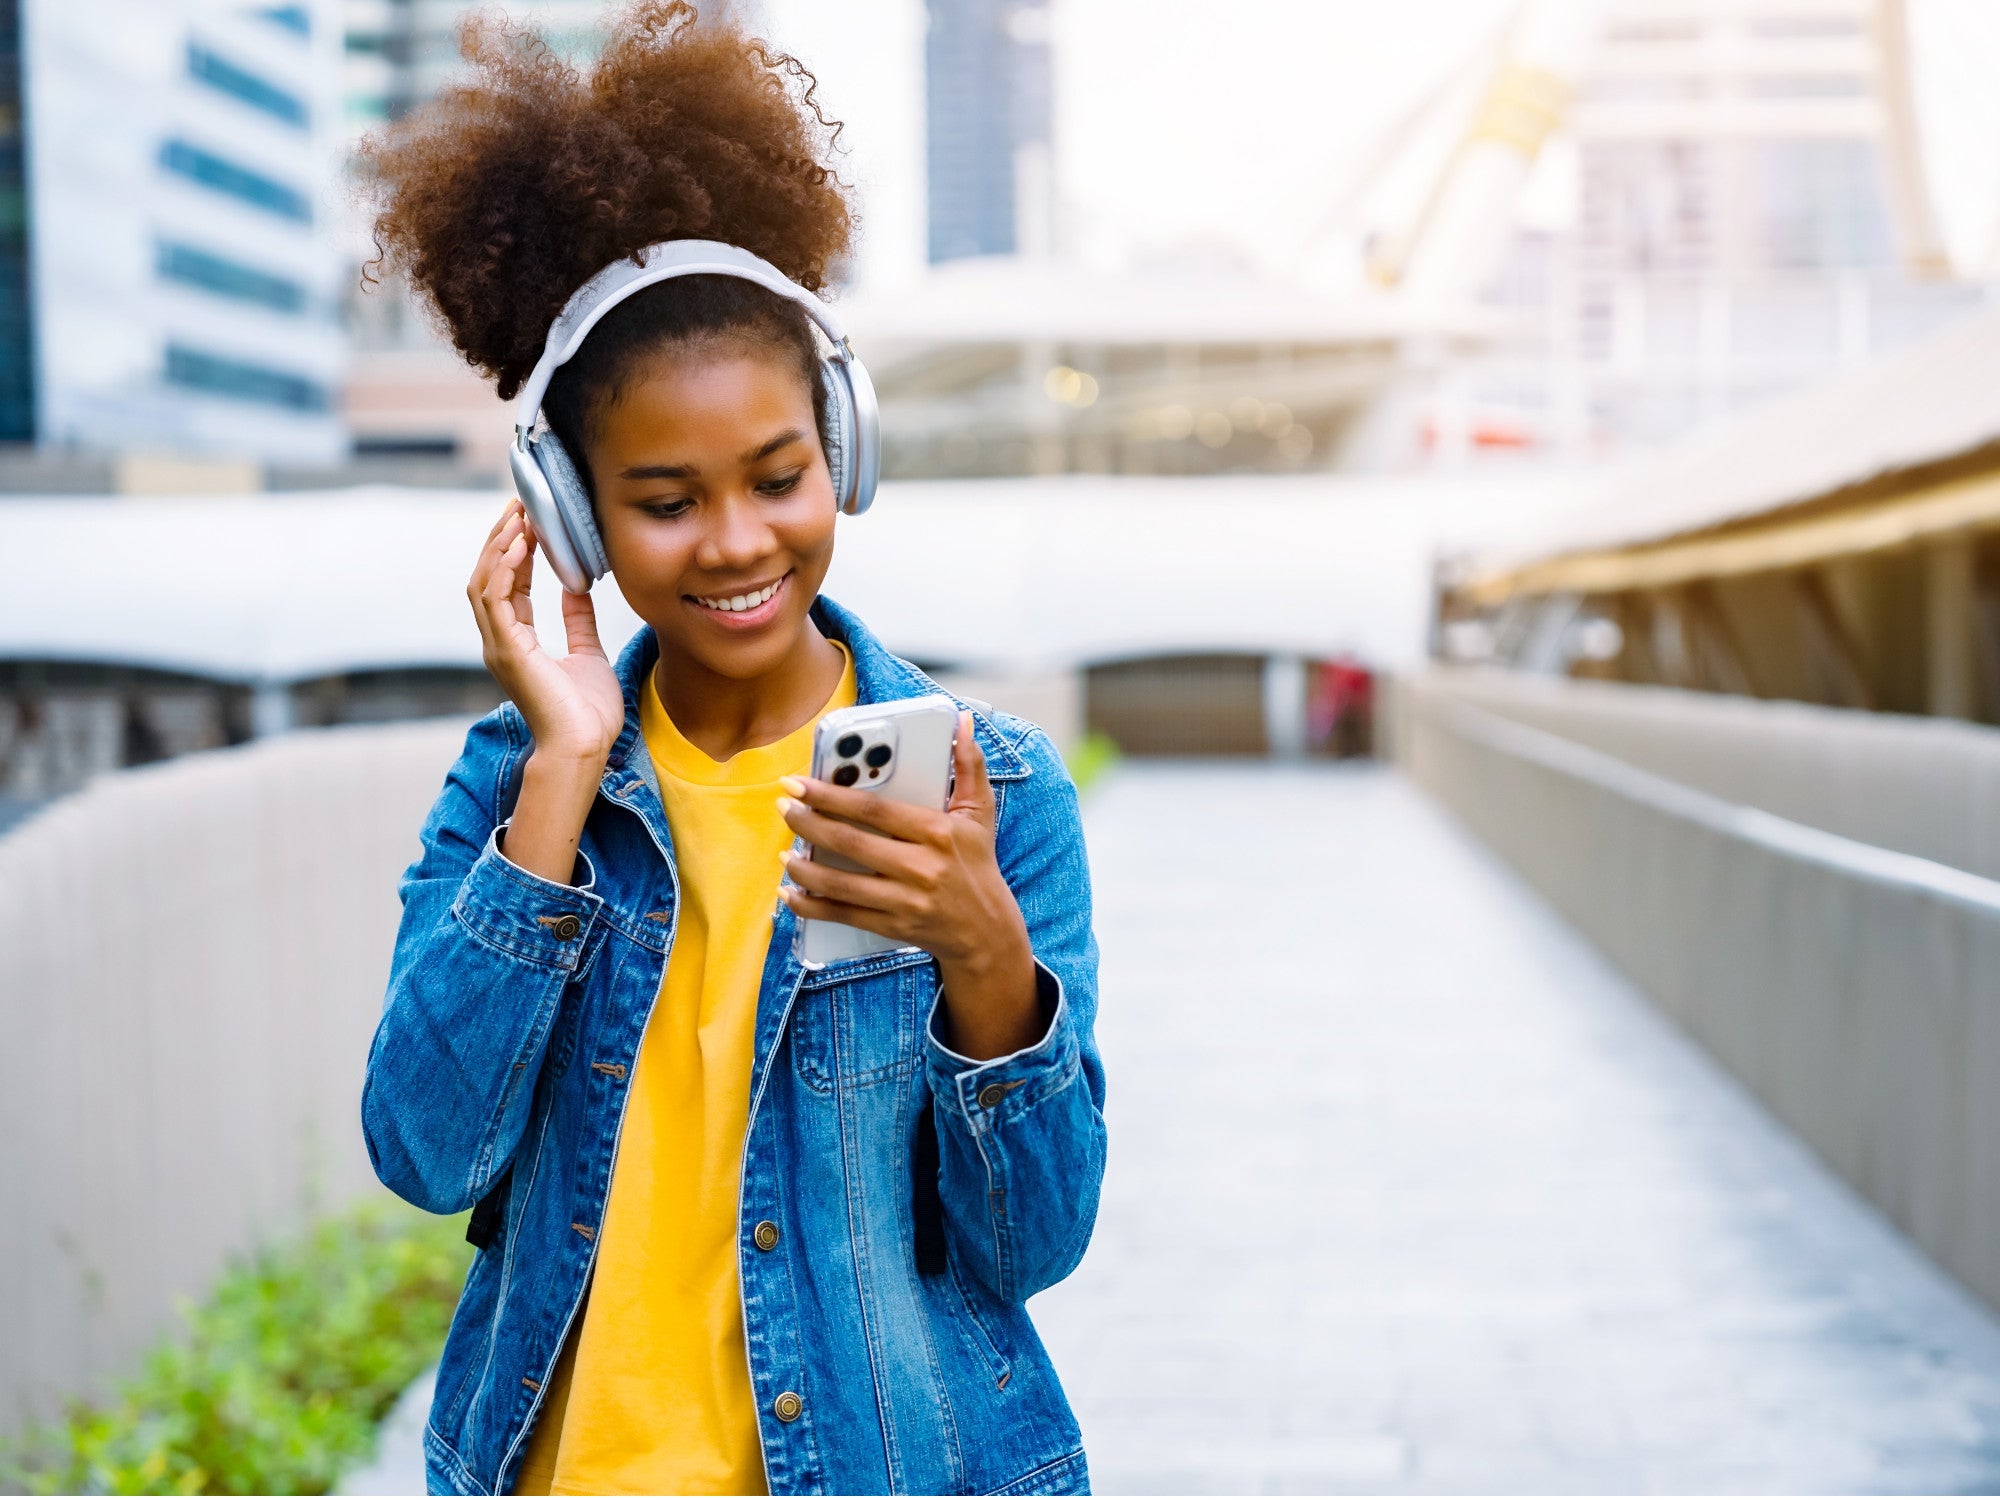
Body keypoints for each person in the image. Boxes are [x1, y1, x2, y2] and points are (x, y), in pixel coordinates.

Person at [356, 6, 1106, 1495]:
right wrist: (561, 778)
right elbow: (424, 1153)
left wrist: (984, 959)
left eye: (778, 476)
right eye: (665, 499)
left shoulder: (993, 789)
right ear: (572, 514)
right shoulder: (513, 787)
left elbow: (1033, 1246)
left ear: (843, 448)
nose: (739, 542)